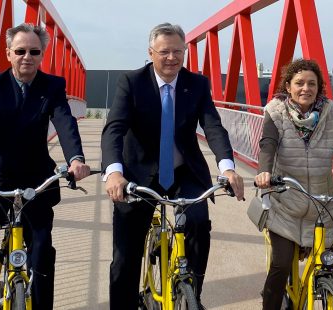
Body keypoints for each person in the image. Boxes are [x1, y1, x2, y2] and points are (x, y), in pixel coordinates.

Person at [0, 23, 91, 309]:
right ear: (8, 53)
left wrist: (76, 159)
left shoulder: (52, 86)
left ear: (42, 54)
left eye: (34, 51)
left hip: (35, 178)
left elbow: (64, 121)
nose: (27, 57)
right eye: (20, 51)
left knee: (42, 253)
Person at [101, 22, 245, 309]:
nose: (171, 58)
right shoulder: (132, 82)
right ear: (151, 52)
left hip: (183, 171)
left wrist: (227, 166)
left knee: (198, 226)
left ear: (185, 52)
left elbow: (213, 126)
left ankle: (192, 295)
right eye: (164, 52)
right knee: (126, 254)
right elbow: (114, 129)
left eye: (178, 51)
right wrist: (114, 171)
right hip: (138, 173)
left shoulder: (197, 84)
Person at [254, 58, 333, 309]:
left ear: (319, 87)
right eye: (299, 83)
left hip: (323, 202)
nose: (305, 88)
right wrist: (264, 173)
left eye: (312, 83)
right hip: (286, 200)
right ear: (288, 86)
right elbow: (268, 144)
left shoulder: (330, 113)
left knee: (329, 266)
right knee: (281, 265)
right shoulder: (275, 112)